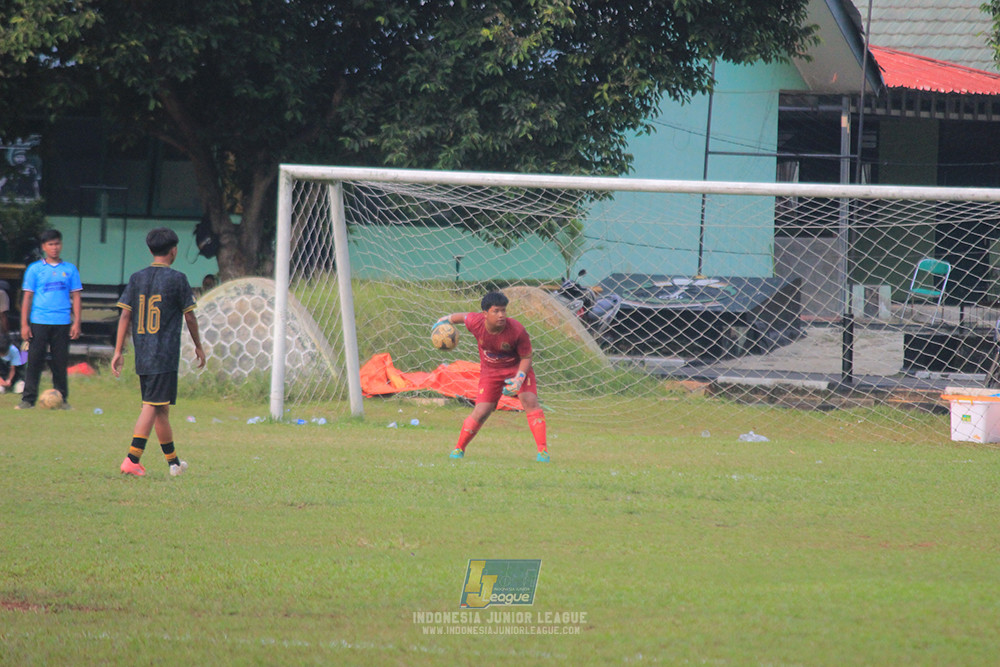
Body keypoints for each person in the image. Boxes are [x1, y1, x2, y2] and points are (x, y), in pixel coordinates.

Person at [111, 227, 206, 477]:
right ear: (174, 251)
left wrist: (118, 350)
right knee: (152, 405)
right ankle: (132, 459)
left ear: (150, 250)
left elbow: (125, 315)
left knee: (160, 407)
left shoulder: (136, 278)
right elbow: (190, 316)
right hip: (163, 354)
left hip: (142, 352)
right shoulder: (178, 279)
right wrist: (198, 345)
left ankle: (173, 463)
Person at [435, 291, 549, 462]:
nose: (501, 315)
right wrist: (445, 319)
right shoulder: (476, 322)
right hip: (490, 372)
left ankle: (543, 451)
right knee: (481, 411)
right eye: (496, 311)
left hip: (517, 368)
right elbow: (463, 317)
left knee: (530, 402)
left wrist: (519, 379)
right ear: (485, 314)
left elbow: (526, 357)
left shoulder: (517, 330)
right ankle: (459, 449)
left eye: (503, 310)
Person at [16, 229, 82, 409]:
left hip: (62, 322)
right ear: (44, 247)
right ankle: (28, 399)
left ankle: (62, 399)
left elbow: (76, 296)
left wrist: (76, 321)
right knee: (35, 361)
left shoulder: (69, 269)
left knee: (60, 362)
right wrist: (24, 324)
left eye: (57, 244)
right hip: (39, 321)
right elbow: (27, 297)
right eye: (51, 244)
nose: (55, 248)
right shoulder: (35, 269)